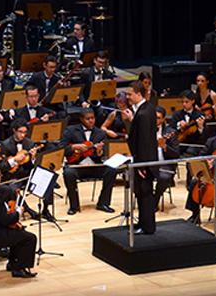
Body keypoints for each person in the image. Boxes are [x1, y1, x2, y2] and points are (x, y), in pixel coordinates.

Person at [0, 165, 38, 278]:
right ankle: (19, 268)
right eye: (0, 175)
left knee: (20, 232)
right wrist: (18, 212)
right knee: (30, 238)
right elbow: (5, 220)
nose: (1, 177)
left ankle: (13, 263)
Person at [62, 108, 115, 215]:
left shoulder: (101, 133)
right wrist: (73, 147)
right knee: (68, 173)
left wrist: (100, 152)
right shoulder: (70, 130)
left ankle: (103, 203)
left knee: (111, 170)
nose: (91, 121)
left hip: (95, 166)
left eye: (93, 118)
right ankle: (74, 206)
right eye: (88, 119)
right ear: (81, 119)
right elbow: (61, 149)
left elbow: (104, 154)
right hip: (77, 166)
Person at [123, 80, 159, 234]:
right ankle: (143, 223)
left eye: (130, 94)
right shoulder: (147, 108)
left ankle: (148, 227)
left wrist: (142, 165)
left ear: (138, 94)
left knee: (145, 194)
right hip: (144, 159)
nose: (128, 97)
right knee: (141, 193)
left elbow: (144, 141)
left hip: (144, 161)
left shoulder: (144, 113)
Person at [153, 106, 180, 207]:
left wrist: (164, 146)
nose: (155, 120)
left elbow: (176, 154)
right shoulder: (145, 130)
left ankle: (155, 201)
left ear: (164, 119)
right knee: (136, 177)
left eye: (158, 118)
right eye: (154, 117)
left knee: (164, 178)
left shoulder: (171, 132)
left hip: (165, 165)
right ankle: (144, 199)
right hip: (148, 163)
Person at [169, 89, 206, 157]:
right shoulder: (176, 114)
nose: (184, 104)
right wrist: (179, 125)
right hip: (179, 144)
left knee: (190, 152)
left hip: (194, 145)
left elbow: (203, 137)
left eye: (186, 102)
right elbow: (171, 128)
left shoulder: (199, 115)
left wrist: (200, 127)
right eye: (182, 102)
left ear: (193, 101)